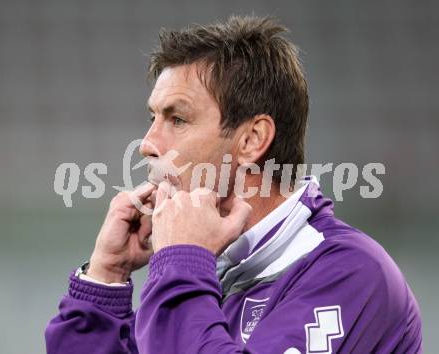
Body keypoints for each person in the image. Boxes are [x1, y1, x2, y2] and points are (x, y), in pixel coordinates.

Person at [45, 16, 422, 354]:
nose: (147, 144)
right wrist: (105, 280)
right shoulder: (216, 271)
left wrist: (182, 263)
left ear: (252, 140)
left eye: (177, 119)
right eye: (153, 117)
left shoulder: (352, 274)